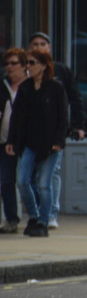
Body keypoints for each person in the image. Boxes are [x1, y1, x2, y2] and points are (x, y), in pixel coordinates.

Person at [4, 48, 68, 237]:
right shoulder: (25, 88)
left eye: (32, 63)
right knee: (23, 180)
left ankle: (43, 220)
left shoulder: (56, 88)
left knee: (43, 183)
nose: (29, 67)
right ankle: (34, 215)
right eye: (27, 63)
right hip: (30, 143)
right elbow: (17, 118)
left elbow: (63, 118)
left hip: (50, 145)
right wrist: (12, 141)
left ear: (43, 65)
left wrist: (58, 141)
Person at [28, 32, 85, 229]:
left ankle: (50, 213)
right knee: (29, 177)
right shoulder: (26, 71)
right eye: (35, 44)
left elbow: (75, 98)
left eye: (43, 44)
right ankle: (37, 212)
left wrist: (78, 125)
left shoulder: (61, 72)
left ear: (50, 48)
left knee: (51, 173)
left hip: (54, 132)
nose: (39, 47)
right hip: (30, 134)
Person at [0, 47, 26, 233]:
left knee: (28, 181)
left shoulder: (31, 86)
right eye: (7, 63)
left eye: (14, 63)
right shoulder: (2, 86)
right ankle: (11, 219)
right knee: (6, 180)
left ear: (24, 65)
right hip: (4, 141)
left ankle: (39, 217)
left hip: (27, 142)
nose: (10, 67)